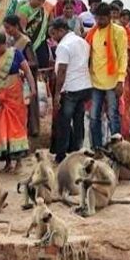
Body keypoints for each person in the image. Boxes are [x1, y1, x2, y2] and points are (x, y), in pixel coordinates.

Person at [0, 32, 37, 172]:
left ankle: (18, 162)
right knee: (1, 128)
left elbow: (28, 71)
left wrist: (33, 88)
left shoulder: (16, 54)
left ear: (5, 43)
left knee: (15, 127)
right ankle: (7, 162)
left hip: (14, 97)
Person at [49, 18, 93, 163]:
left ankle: (61, 155)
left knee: (64, 122)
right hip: (85, 85)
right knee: (78, 120)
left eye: (54, 34)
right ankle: (78, 151)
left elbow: (62, 71)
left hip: (70, 88)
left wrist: (56, 94)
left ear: (61, 30)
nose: (53, 38)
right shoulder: (82, 42)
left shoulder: (64, 46)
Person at [85, 3, 128, 149]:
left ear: (109, 17)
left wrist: (120, 80)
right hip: (95, 82)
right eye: (97, 18)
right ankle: (97, 148)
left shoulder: (118, 32)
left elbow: (123, 56)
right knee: (94, 117)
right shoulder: (92, 32)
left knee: (113, 117)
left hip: (112, 82)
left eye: (103, 18)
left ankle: (117, 149)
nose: (100, 21)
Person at [17, 0, 56, 122]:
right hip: (27, 45)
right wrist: (28, 46)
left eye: (43, 0)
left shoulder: (44, 11)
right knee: (28, 72)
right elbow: (21, 30)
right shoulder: (24, 9)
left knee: (42, 72)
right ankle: (28, 99)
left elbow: (48, 28)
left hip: (41, 45)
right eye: (39, 0)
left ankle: (43, 100)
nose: (41, 3)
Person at [4, 14, 40, 138]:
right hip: (14, 81)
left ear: (16, 26)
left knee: (27, 110)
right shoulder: (10, 41)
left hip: (25, 80)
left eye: (8, 28)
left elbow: (33, 62)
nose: (7, 31)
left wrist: (18, 65)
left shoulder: (25, 41)